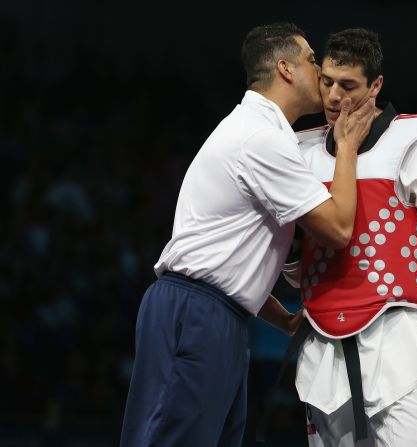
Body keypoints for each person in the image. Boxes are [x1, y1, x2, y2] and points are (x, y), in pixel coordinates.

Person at [119, 22, 375, 447]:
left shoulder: (258, 131)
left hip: (218, 314)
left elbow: (229, 246)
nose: (322, 72)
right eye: (312, 60)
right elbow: (337, 229)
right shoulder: (261, 138)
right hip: (198, 312)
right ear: (286, 69)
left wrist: (277, 314)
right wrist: (347, 146)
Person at [284, 28, 417, 446]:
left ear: (376, 85)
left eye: (348, 86)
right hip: (321, 353)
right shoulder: (300, 155)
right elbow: (294, 267)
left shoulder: (411, 146)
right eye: (326, 81)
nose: (333, 97)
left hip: (398, 345)